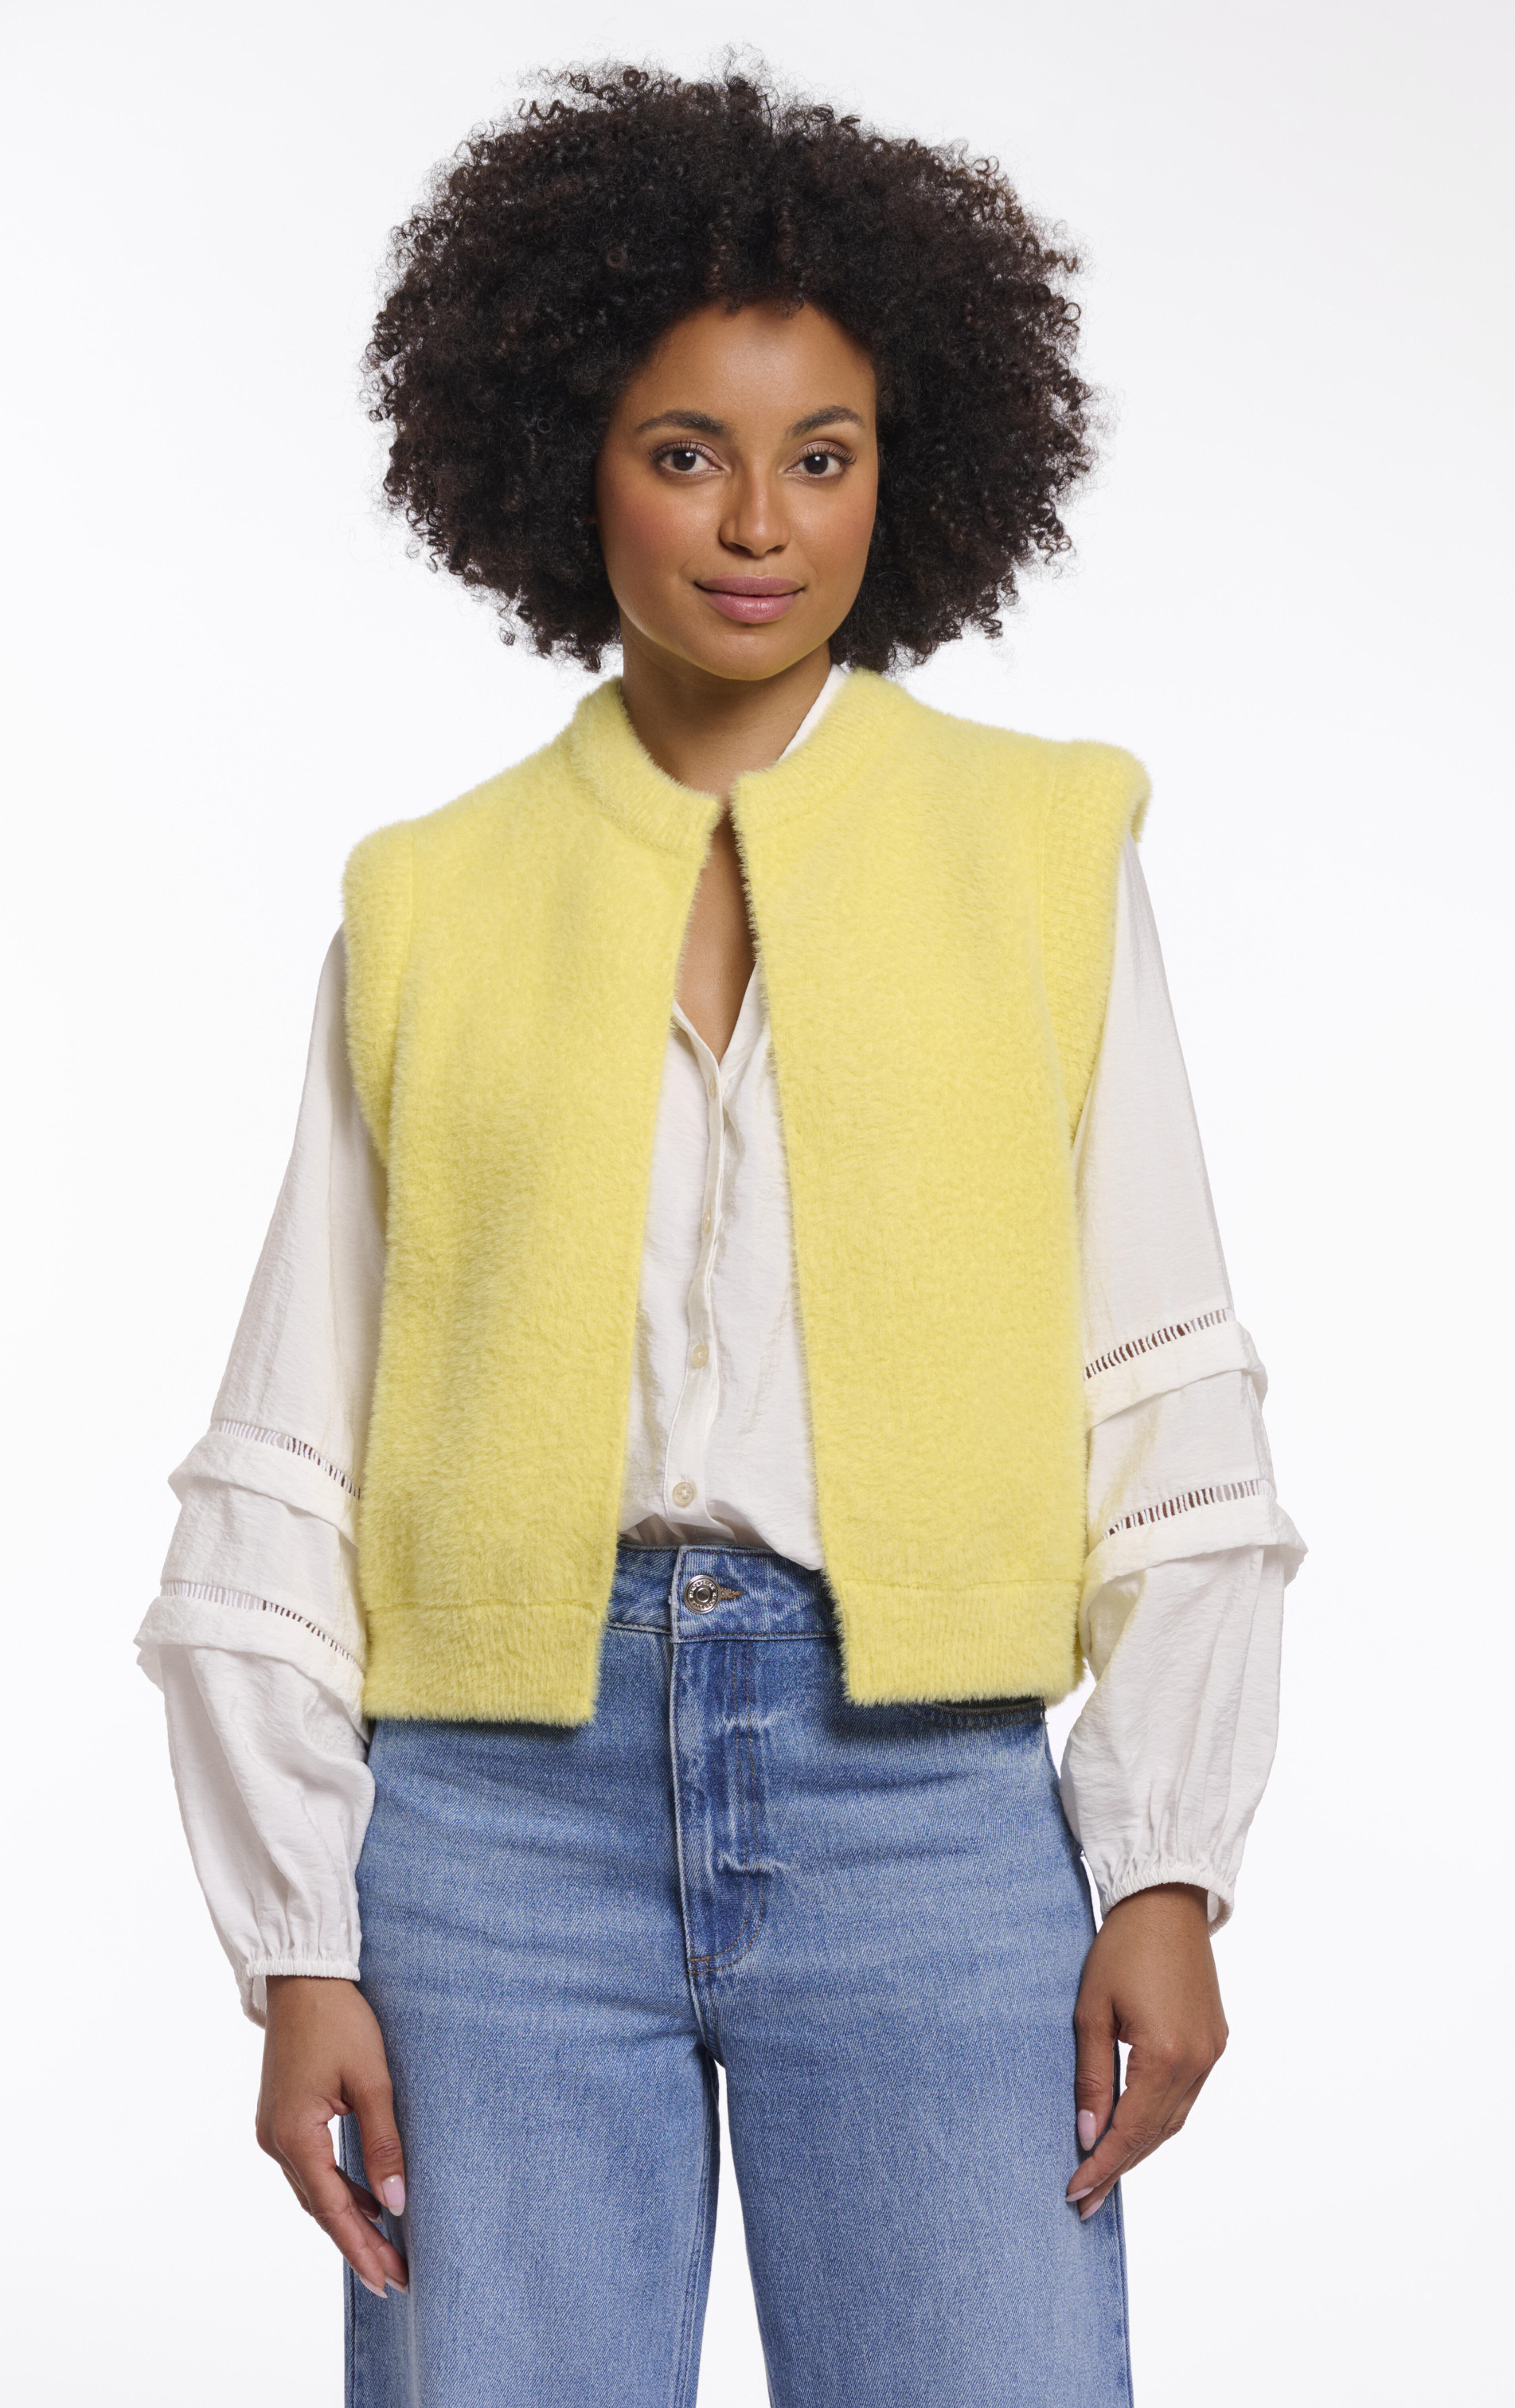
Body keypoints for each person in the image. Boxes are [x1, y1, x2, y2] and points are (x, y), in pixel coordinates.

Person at [137, 61, 1302, 2408]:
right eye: (687, 452)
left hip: (927, 1804)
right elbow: (296, 1434)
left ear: (907, 469)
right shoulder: (429, 902)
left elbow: (1166, 1386)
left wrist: (1163, 1862)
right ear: (567, 460)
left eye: (822, 454)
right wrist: (295, 1940)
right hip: (490, 1830)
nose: (759, 523)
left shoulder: (1043, 853)